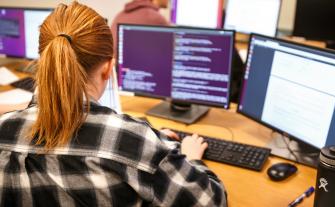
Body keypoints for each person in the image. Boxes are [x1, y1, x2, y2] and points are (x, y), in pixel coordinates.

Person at [0, 2, 227, 206]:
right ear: (109, 68)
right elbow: (213, 201)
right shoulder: (135, 143)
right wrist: (189, 156)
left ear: (44, 61)